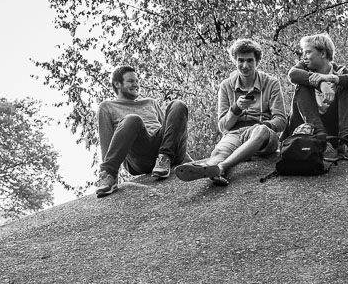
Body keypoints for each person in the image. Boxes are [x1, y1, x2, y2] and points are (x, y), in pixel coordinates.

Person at [174, 38, 286, 186]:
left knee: (261, 130)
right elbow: (223, 127)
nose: (245, 65)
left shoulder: (271, 83)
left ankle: (223, 167)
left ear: (257, 62)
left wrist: (259, 126)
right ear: (235, 61)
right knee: (219, 152)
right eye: (240, 60)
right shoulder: (226, 86)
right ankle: (209, 170)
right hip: (235, 134)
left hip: (262, 136)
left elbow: (281, 121)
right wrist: (236, 109)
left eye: (249, 61)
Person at [94, 64, 190, 197]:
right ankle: (108, 174)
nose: (136, 85)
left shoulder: (150, 102)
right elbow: (107, 144)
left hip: (167, 153)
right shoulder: (107, 107)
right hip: (140, 155)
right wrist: (110, 174)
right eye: (131, 81)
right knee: (132, 119)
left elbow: (171, 132)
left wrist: (191, 162)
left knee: (178, 105)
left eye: (137, 81)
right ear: (117, 84)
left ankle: (164, 159)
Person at [286, 33, 348, 162]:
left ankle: (346, 142)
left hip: (332, 133)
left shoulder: (339, 70)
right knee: (302, 85)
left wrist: (330, 78)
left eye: (308, 52)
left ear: (322, 54)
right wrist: (321, 84)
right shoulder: (303, 67)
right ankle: (320, 137)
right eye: (303, 53)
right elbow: (292, 74)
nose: (304, 56)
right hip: (308, 132)